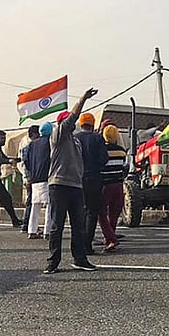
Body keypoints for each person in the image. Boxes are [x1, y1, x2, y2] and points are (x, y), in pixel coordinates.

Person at [44, 88, 100, 274]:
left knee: (78, 225)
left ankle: (80, 258)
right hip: (59, 185)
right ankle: (53, 261)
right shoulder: (57, 136)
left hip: (76, 186)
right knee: (56, 225)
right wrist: (83, 98)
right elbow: (72, 118)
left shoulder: (76, 141)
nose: (73, 124)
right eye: (69, 122)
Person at [75, 113, 108, 255]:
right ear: (92, 124)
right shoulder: (97, 138)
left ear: (81, 124)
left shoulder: (75, 138)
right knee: (92, 212)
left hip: (77, 178)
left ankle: (78, 244)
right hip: (94, 178)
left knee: (78, 212)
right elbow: (104, 158)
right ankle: (87, 245)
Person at [99, 124, 127, 252]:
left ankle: (111, 238)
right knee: (114, 214)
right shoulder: (122, 151)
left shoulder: (101, 150)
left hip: (105, 185)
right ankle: (110, 238)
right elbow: (124, 168)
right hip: (118, 185)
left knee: (102, 213)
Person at [25, 123, 52, 240]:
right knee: (50, 205)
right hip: (47, 176)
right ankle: (48, 231)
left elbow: (26, 161)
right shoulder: (50, 142)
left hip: (35, 178)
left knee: (35, 205)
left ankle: (32, 230)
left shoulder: (31, 144)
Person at [17, 125, 39, 233]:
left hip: (29, 178)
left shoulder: (28, 146)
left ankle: (27, 224)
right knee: (32, 202)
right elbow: (25, 164)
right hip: (30, 178)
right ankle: (27, 225)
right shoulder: (29, 146)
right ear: (34, 134)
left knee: (31, 201)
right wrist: (28, 178)